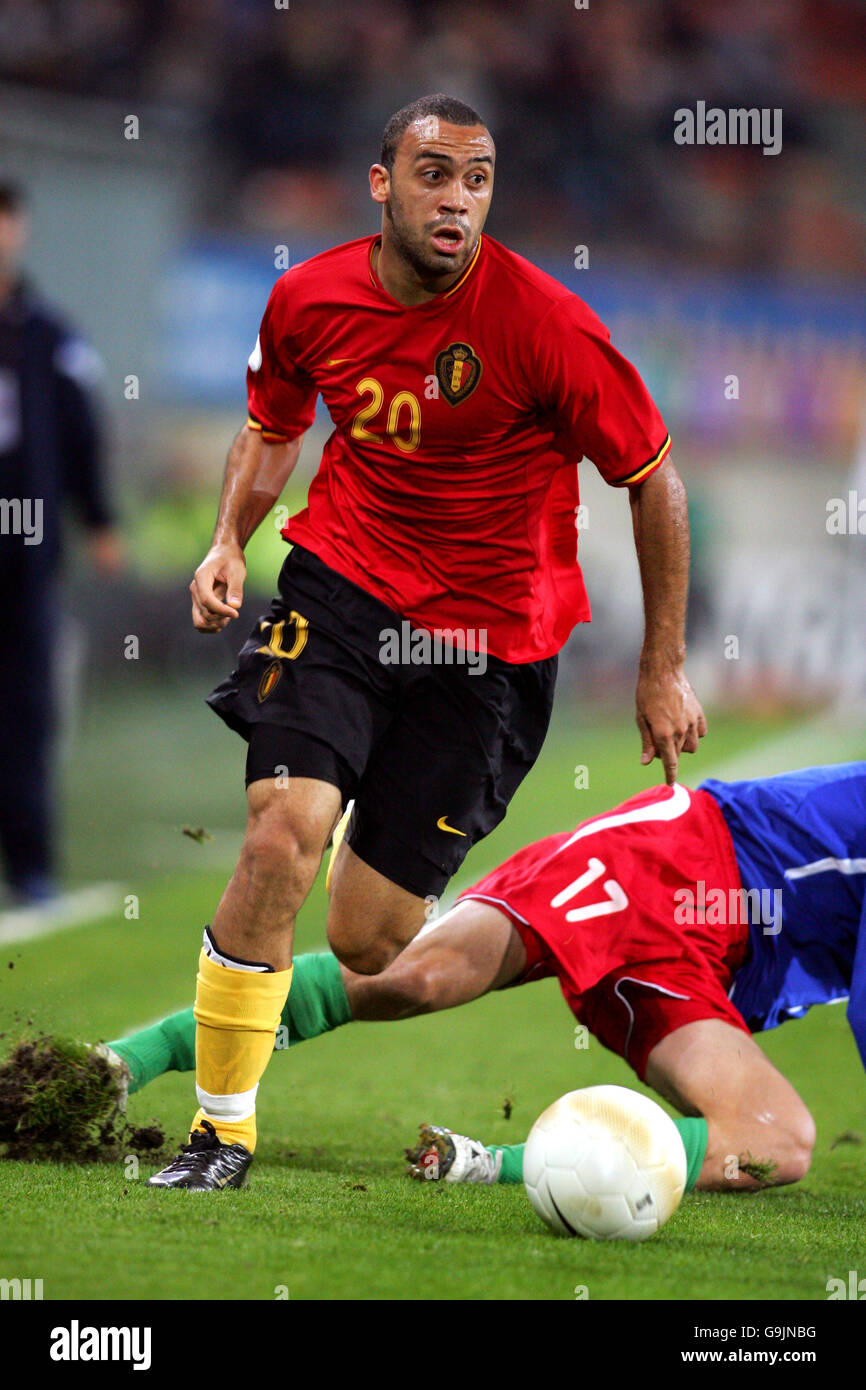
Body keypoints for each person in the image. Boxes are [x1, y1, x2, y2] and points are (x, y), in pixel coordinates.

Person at [148, 93, 706, 1190]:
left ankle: (415, 860)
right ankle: (222, 1130)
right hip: (343, 589)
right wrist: (227, 539)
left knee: (367, 936)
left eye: (477, 180)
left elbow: (652, 478)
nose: (456, 201)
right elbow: (273, 427)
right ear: (381, 184)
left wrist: (660, 666)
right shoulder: (307, 298)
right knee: (278, 834)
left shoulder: (544, 324)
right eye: (434, 175)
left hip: (489, 647)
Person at [115, 761, 865, 1194]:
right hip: (676, 859)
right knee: (416, 977)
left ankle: (481, 1165)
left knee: (778, 1143)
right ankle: (122, 1063)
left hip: (709, 962)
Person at [0, 180, 123, 905]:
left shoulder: (50, 336)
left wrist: (99, 520)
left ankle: (31, 865)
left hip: (25, 558)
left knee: (26, 711)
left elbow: (81, 433)